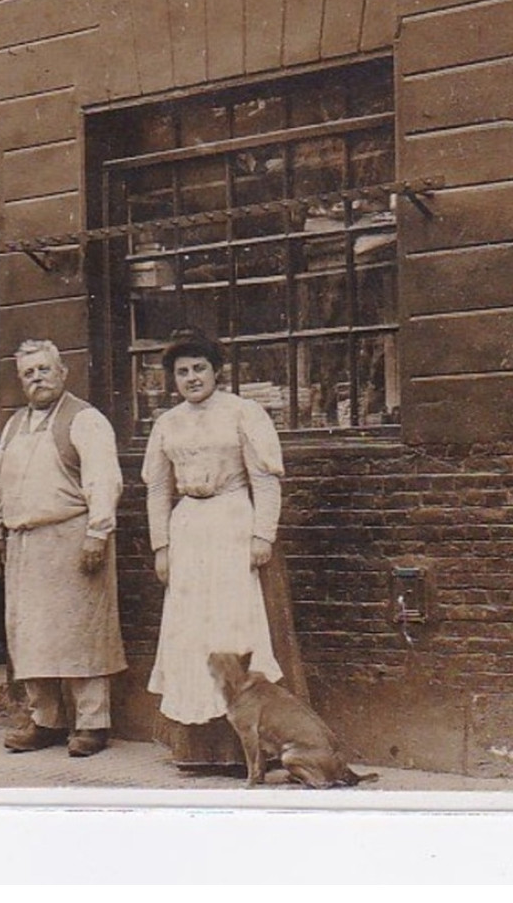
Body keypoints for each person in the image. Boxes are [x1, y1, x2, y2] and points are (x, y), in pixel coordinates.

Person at [143, 330, 310, 769]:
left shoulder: (243, 413)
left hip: (232, 523)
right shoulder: (167, 423)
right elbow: (158, 488)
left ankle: (249, 747)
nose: (192, 377)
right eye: (182, 371)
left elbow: (265, 480)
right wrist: (161, 545)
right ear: (173, 379)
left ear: (217, 371)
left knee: (234, 629)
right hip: (189, 530)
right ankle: (200, 749)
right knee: (192, 633)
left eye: (200, 368)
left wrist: (262, 536)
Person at [0, 339, 127, 757]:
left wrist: (97, 534)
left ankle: (92, 723)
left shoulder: (85, 420)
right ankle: (45, 719)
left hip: (73, 536)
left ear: (63, 373)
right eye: (29, 373)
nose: (38, 378)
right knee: (31, 635)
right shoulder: (13, 426)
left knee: (82, 631)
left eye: (45, 370)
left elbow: (104, 480)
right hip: (25, 543)